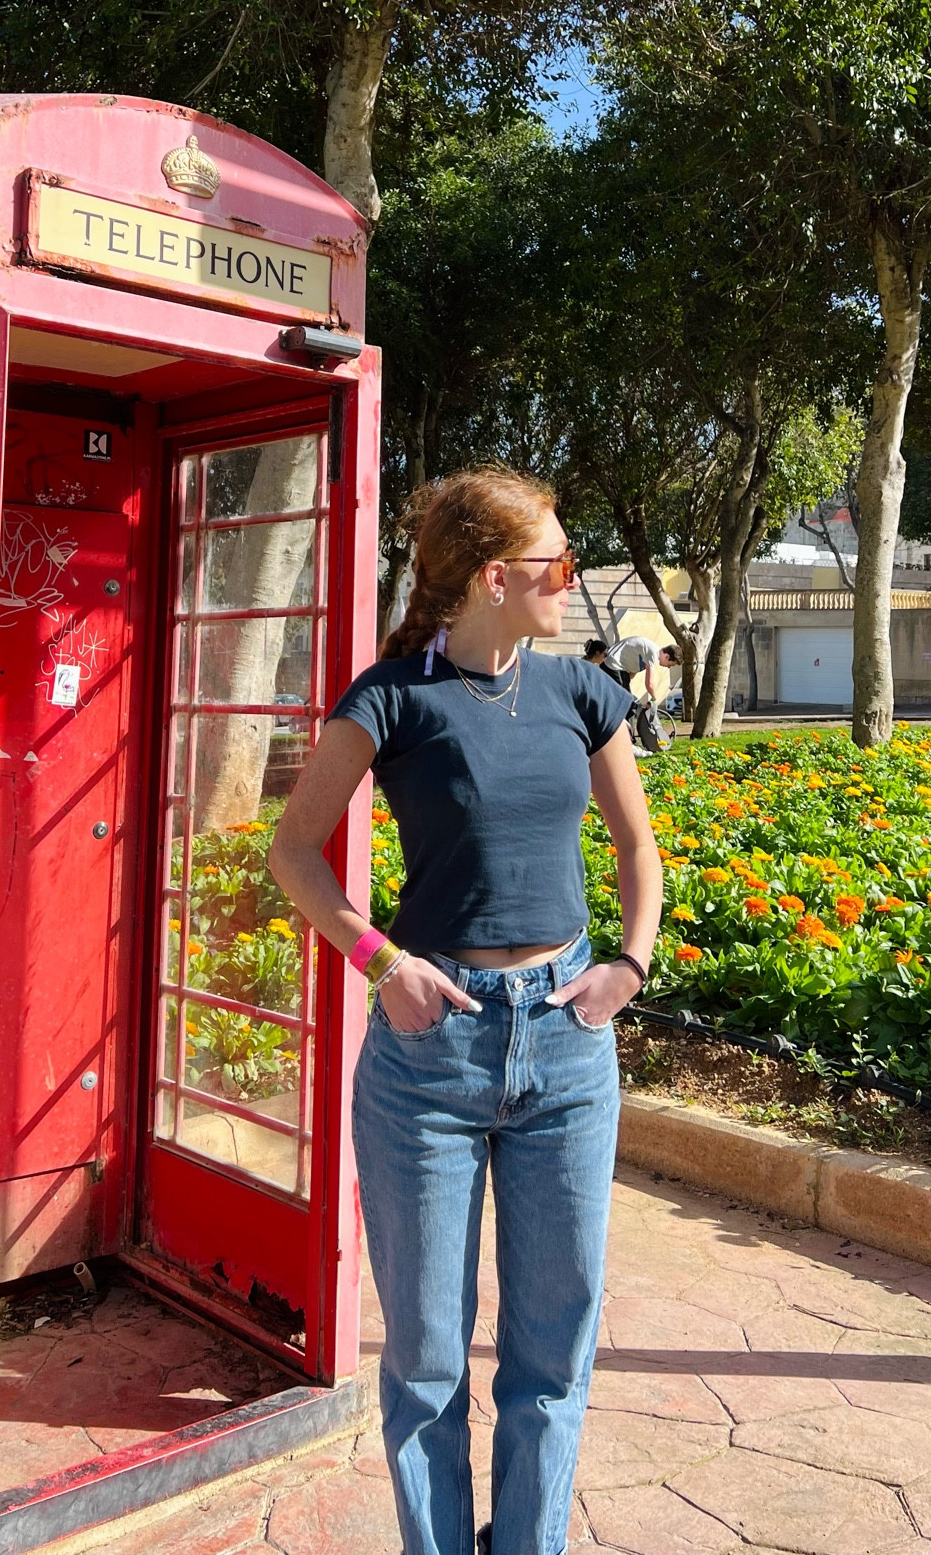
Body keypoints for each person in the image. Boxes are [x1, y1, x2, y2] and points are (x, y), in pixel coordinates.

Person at [271, 470, 663, 1555]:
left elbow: (637, 848)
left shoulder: (585, 690)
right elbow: (294, 850)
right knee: (429, 1357)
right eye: (560, 564)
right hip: (430, 1053)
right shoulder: (392, 697)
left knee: (552, 1348)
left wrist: (629, 962)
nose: (571, 584)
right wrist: (377, 958)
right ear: (497, 577)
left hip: (569, 1044)